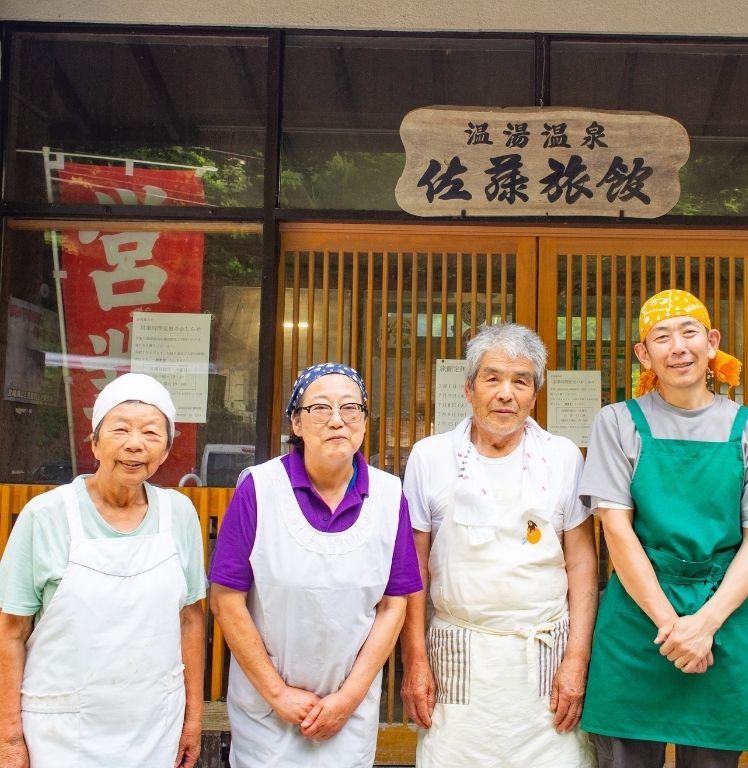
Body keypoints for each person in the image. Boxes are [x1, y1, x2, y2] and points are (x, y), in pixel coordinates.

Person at [579, 289, 748, 768]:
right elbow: (616, 531)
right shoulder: (617, 423)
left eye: (689, 333)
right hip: (638, 618)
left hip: (721, 613)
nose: (678, 347)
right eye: (661, 337)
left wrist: (705, 625)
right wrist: (674, 629)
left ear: (712, 342)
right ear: (644, 354)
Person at [399, 322, 597, 768]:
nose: (506, 393)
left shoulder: (563, 456)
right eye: (492, 378)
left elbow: (582, 565)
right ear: (469, 390)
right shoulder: (431, 457)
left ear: (534, 395)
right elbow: (414, 569)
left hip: (546, 656)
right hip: (458, 653)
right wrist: (414, 661)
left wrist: (577, 660)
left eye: (520, 381)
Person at [209, 362, 421, 768]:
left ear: (364, 422)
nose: (337, 420)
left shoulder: (389, 495)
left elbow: (395, 604)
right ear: (297, 423)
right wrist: (278, 694)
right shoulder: (259, 488)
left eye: (351, 409)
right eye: (320, 408)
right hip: (268, 713)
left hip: (348, 714)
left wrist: (348, 697)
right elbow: (225, 600)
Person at [0, 373, 206, 768]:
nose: (135, 444)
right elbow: (11, 631)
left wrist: (193, 720)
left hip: (155, 726)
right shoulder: (45, 515)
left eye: (151, 432)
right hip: (61, 731)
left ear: (166, 450)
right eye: (121, 429)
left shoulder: (179, 513)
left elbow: (191, 620)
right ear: (94, 442)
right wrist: (9, 738)